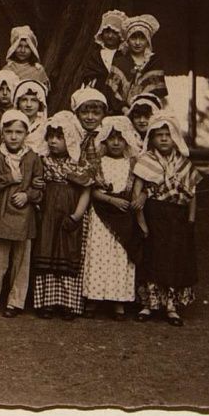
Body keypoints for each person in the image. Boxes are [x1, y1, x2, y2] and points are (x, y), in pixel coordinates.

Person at [130, 116, 199, 325]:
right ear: (151, 139)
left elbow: (193, 193)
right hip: (154, 214)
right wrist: (141, 221)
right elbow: (137, 191)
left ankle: (171, 305)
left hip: (176, 217)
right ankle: (149, 304)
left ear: (175, 137)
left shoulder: (183, 163)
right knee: (152, 258)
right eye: (159, 135)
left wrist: (190, 219)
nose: (163, 139)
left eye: (167, 135)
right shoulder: (146, 161)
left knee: (174, 259)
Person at [0, 109, 41, 317]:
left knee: (21, 263)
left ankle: (15, 302)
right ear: (2, 133)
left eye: (19, 132)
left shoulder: (33, 158)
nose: (14, 136)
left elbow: (40, 187)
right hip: (0, 214)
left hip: (24, 218)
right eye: (9, 132)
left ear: (26, 134)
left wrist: (28, 195)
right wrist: (8, 178)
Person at [29, 118, 90, 319]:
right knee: (46, 249)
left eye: (59, 137)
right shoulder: (43, 162)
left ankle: (68, 304)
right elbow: (35, 184)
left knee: (68, 252)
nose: (53, 141)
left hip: (69, 213)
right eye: (51, 137)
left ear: (70, 139)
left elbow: (85, 192)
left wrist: (76, 215)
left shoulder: (79, 164)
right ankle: (46, 302)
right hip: (47, 214)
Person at [82, 119, 140, 318]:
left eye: (120, 139)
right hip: (101, 215)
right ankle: (93, 298)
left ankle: (118, 301)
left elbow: (140, 190)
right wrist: (111, 200)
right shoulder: (98, 163)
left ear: (127, 142)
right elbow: (93, 192)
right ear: (104, 141)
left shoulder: (131, 164)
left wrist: (135, 199)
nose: (116, 143)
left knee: (120, 256)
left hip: (124, 216)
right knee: (98, 254)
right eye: (111, 138)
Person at [0, 26, 50, 96]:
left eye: (27, 47)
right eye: (19, 46)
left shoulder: (38, 70)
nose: (22, 50)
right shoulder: (7, 69)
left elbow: (43, 94)